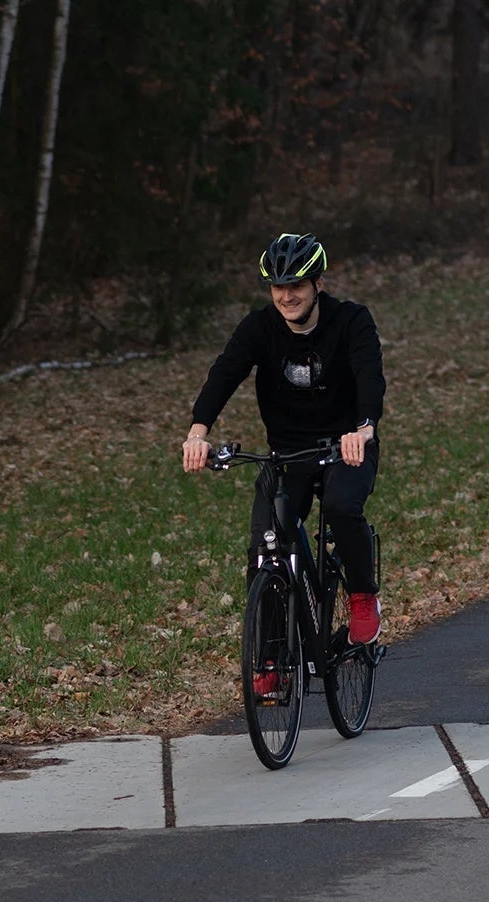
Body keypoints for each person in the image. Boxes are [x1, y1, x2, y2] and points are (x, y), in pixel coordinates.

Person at [182, 232, 386, 647]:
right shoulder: (259, 328)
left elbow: (370, 375)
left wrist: (364, 428)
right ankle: (270, 656)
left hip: (346, 446)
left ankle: (363, 596)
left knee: (341, 506)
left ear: (318, 284)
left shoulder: (351, 321)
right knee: (265, 544)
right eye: (278, 287)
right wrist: (198, 433)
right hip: (288, 454)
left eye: (296, 285)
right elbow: (224, 374)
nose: (287, 296)